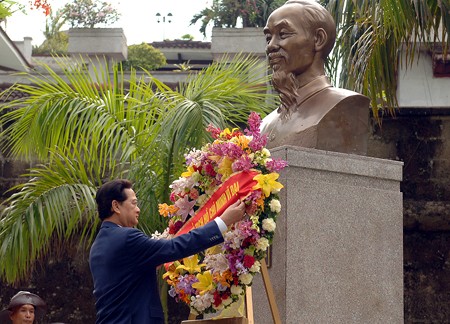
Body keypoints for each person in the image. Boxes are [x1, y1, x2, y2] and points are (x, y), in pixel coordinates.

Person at [89, 179, 246, 324]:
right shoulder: (127, 238)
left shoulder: (97, 246)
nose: (138, 209)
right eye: (134, 203)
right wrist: (222, 222)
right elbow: (174, 247)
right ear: (116, 206)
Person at [261, 0, 370, 155]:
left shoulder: (345, 105)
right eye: (268, 37)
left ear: (318, 39)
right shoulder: (263, 124)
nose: (271, 46)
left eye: (283, 34)